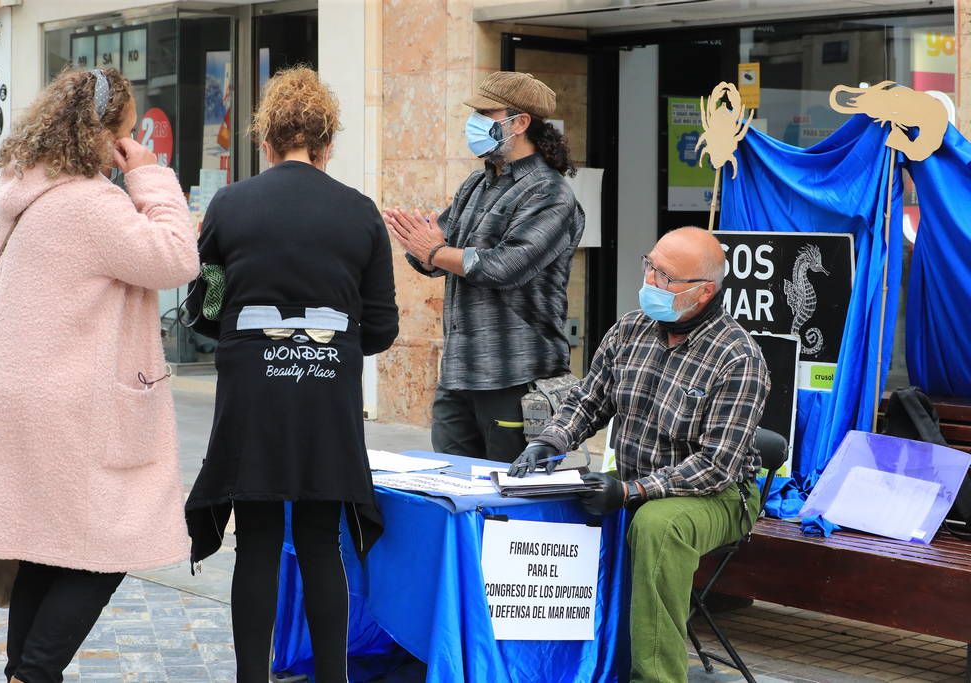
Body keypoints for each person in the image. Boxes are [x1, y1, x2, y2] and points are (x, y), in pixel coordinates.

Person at [0, 67, 199, 683]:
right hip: (71, 405)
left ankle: (24, 672)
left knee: (45, 544)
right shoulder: (92, 204)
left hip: (9, 394)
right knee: (112, 543)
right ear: (110, 132)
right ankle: (33, 672)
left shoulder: (11, 195)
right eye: (130, 126)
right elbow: (176, 257)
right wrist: (147, 172)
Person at [184, 67, 399, 683]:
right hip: (326, 396)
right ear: (326, 143)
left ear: (266, 140)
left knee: (255, 540)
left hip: (251, 396)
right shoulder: (360, 214)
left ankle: (252, 676)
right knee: (319, 539)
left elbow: (207, 305)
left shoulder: (230, 203)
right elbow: (381, 327)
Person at [510, 227, 770, 682]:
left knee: (657, 525)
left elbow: (715, 466)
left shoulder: (738, 357)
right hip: (634, 479)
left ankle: (656, 677)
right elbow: (587, 402)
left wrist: (631, 491)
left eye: (665, 276)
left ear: (704, 292)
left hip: (719, 496)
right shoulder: (630, 329)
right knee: (544, 496)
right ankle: (561, 666)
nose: (650, 281)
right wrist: (548, 441)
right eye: (649, 265)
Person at [385, 71, 585, 464]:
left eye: (484, 113)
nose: (473, 123)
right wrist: (419, 245)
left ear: (520, 122)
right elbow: (432, 251)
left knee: (507, 502)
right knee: (456, 491)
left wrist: (436, 251)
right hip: (459, 374)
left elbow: (506, 266)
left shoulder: (550, 192)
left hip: (514, 377)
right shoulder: (475, 185)